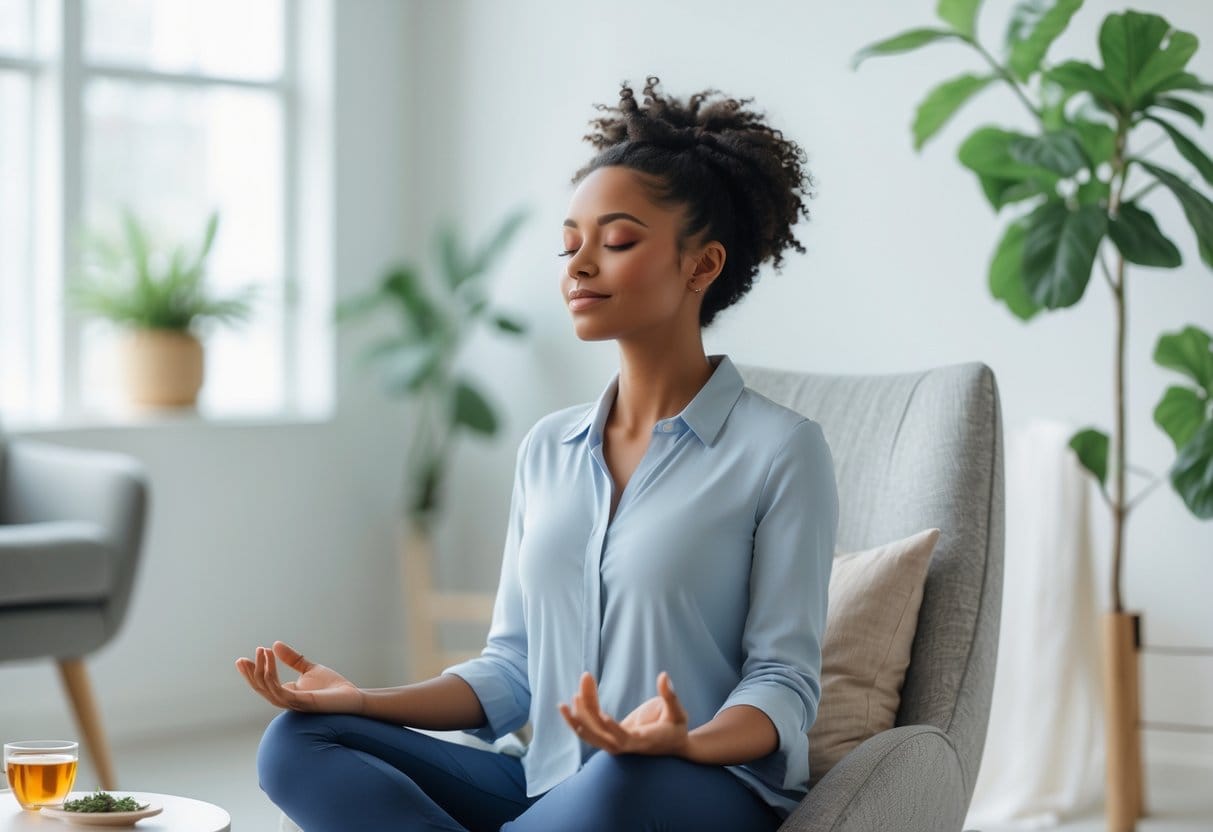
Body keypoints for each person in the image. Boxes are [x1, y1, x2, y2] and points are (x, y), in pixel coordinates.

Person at [238, 75, 838, 832]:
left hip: (687, 786)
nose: (578, 265)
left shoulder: (781, 451)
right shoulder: (548, 448)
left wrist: (682, 741)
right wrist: (360, 699)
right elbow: (513, 670)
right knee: (298, 741)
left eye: (616, 240)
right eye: (569, 244)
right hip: (545, 783)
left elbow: (782, 682)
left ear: (701, 265)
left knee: (624, 778)